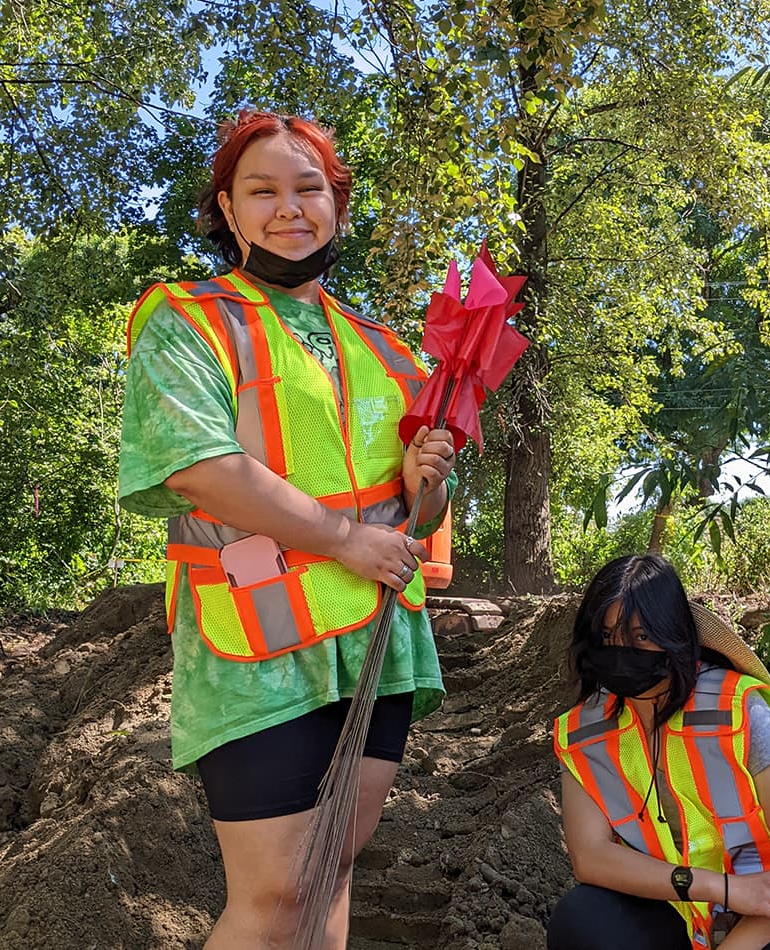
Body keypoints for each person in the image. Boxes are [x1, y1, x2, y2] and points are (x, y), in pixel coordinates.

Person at [117, 109, 456, 949]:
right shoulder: (187, 319)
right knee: (273, 899)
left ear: (338, 205)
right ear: (227, 210)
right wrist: (344, 542)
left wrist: (429, 489)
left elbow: (421, 518)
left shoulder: (388, 349)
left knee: (330, 874)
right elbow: (198, 467)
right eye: (261, 190)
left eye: (309, 188)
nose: (288, 208)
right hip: (259, 641)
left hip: (375, 638)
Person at [548, 554, 770, 950]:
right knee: (581, 920)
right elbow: (591, 857)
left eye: (640, 637)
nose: (622, 650)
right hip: (687, 904)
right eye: (608, 636)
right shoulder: (584, 732)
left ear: (675, 637)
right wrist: (723, 889)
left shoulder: (736, 709)